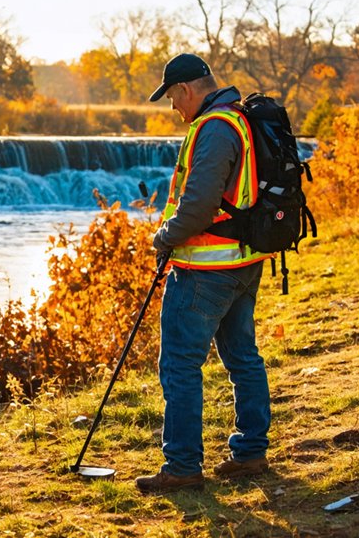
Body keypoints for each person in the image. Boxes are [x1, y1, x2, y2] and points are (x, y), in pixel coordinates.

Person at [135, 53, 272, 494]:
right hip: (241, 263)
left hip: (205, 268)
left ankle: (182, 467)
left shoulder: (213, 129)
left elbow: (197, 206)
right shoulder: (237, 118)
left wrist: (164, 236)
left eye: (173, 98)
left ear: (188, 90)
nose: (174, 108)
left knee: (179, 365)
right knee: (242, 358)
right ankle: (250, 453)